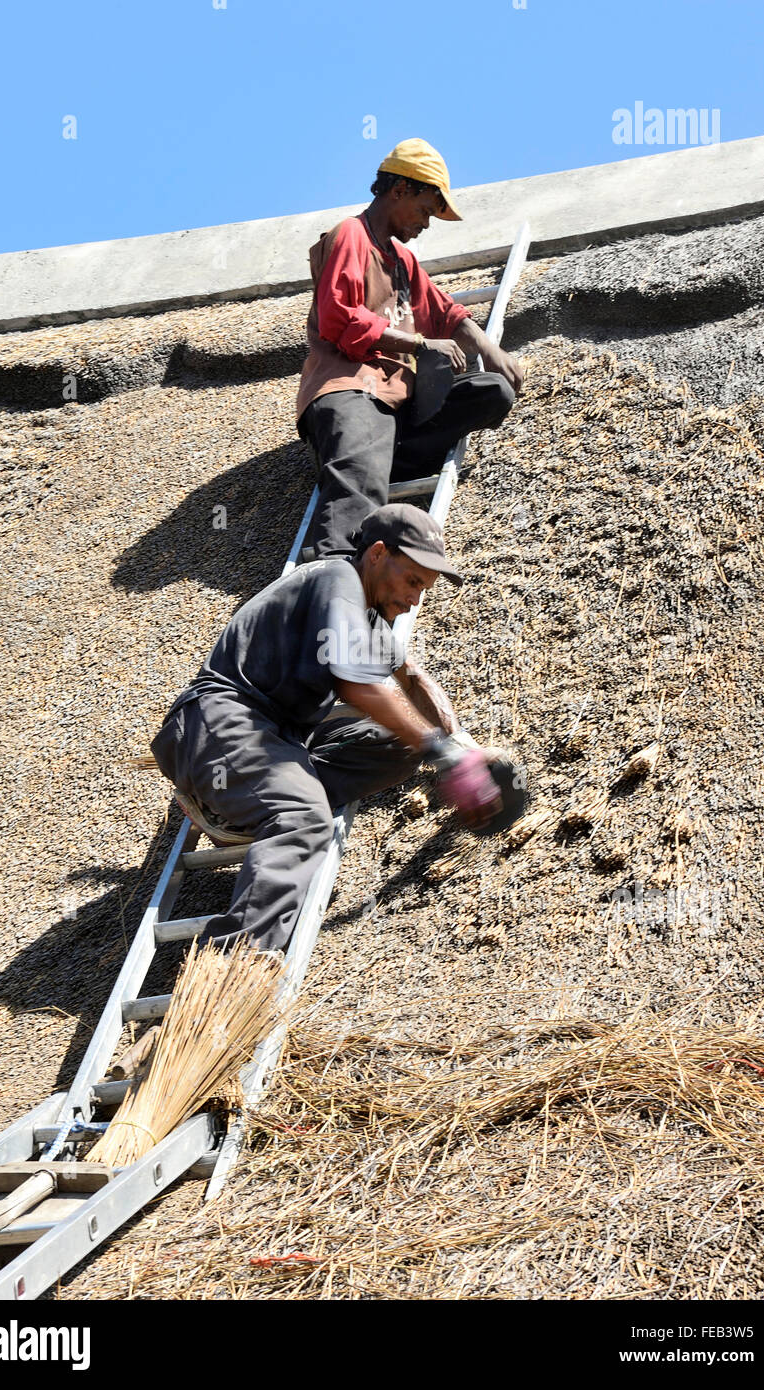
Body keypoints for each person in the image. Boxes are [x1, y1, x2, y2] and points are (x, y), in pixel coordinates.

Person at [150, 504, 503, 955]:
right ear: (377, 554)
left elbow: (411, 677)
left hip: (282, 737)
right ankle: (236, 963)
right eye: (413, 581)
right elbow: (354, 682)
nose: (416, 600)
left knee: (404, 743)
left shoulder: (369, 617)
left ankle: (260, 801)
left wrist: (463, 749)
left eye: (424, 590)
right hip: (221, 721)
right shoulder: (336, 580)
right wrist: (443, 751)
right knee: (306, 820)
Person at [296, 137, 524, 558]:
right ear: (399, 190)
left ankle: (387, 462)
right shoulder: (351, 235)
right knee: (359, 483)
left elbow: (446, 315)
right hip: (355, 389)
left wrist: (489, 349)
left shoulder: (403, 261)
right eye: (425, 210)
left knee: (492, 391)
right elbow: (338, 316)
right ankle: (335, 574)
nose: (426, 223)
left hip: (401, 409)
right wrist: (419, 344)